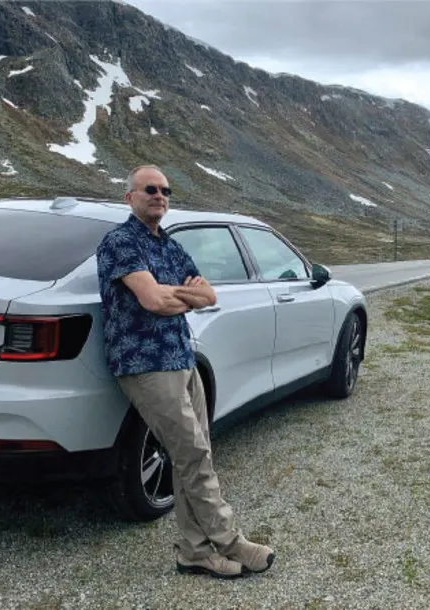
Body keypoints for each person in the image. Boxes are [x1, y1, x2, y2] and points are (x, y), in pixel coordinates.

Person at [96, 164, 275, 579]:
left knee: (194, 453)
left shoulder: (170, 247)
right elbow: (152, 302)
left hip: (181, 357)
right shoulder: (120, 243)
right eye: (149, 189)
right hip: (145, 363)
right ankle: (230, 541)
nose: (159, 195)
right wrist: (181, 295)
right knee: (191, 453)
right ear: (130, 198)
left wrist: (175, 293)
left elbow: (207, 294)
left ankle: (193, 551)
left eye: (165, 191)